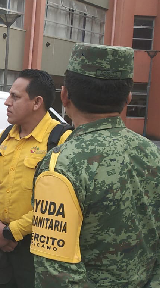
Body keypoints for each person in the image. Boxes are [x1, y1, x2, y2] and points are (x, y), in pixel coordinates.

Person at [31, 44, 160, 287]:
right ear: (128, 98)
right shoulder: (152, 153)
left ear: (65, 95)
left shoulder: (62, 164)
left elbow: (55, 273)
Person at [0, 69, 72, 287]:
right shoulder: (5, 137)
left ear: (37, 102)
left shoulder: (61, 140)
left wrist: (13, 232)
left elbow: (61, 202)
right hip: (0, 243)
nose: (6, 102)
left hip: (38, 248)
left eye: (15, 96)